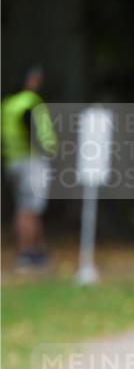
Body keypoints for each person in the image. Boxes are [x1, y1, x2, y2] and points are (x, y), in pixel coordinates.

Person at [1, 66, 58, 272]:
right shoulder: (29, 102)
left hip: (13, 162)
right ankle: (28, 254)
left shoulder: (8, 104)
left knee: (23, 208)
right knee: (30, 209)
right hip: (31, 162)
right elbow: (33, 130)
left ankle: (35, 250)